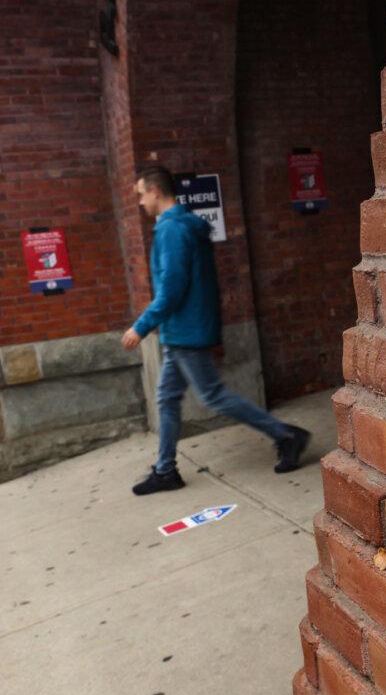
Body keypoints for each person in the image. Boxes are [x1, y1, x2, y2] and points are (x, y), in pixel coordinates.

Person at [123, 165, 309, 496]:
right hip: (183, 329)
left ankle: (286, 434)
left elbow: (172, 288)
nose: (139, 202)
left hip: (186, 331)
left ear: (155, 191)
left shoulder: (173, 230)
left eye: (140, 193)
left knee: (212, 395)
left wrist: (142, 325)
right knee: (167, 397)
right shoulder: (183, 226)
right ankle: (165, 469)